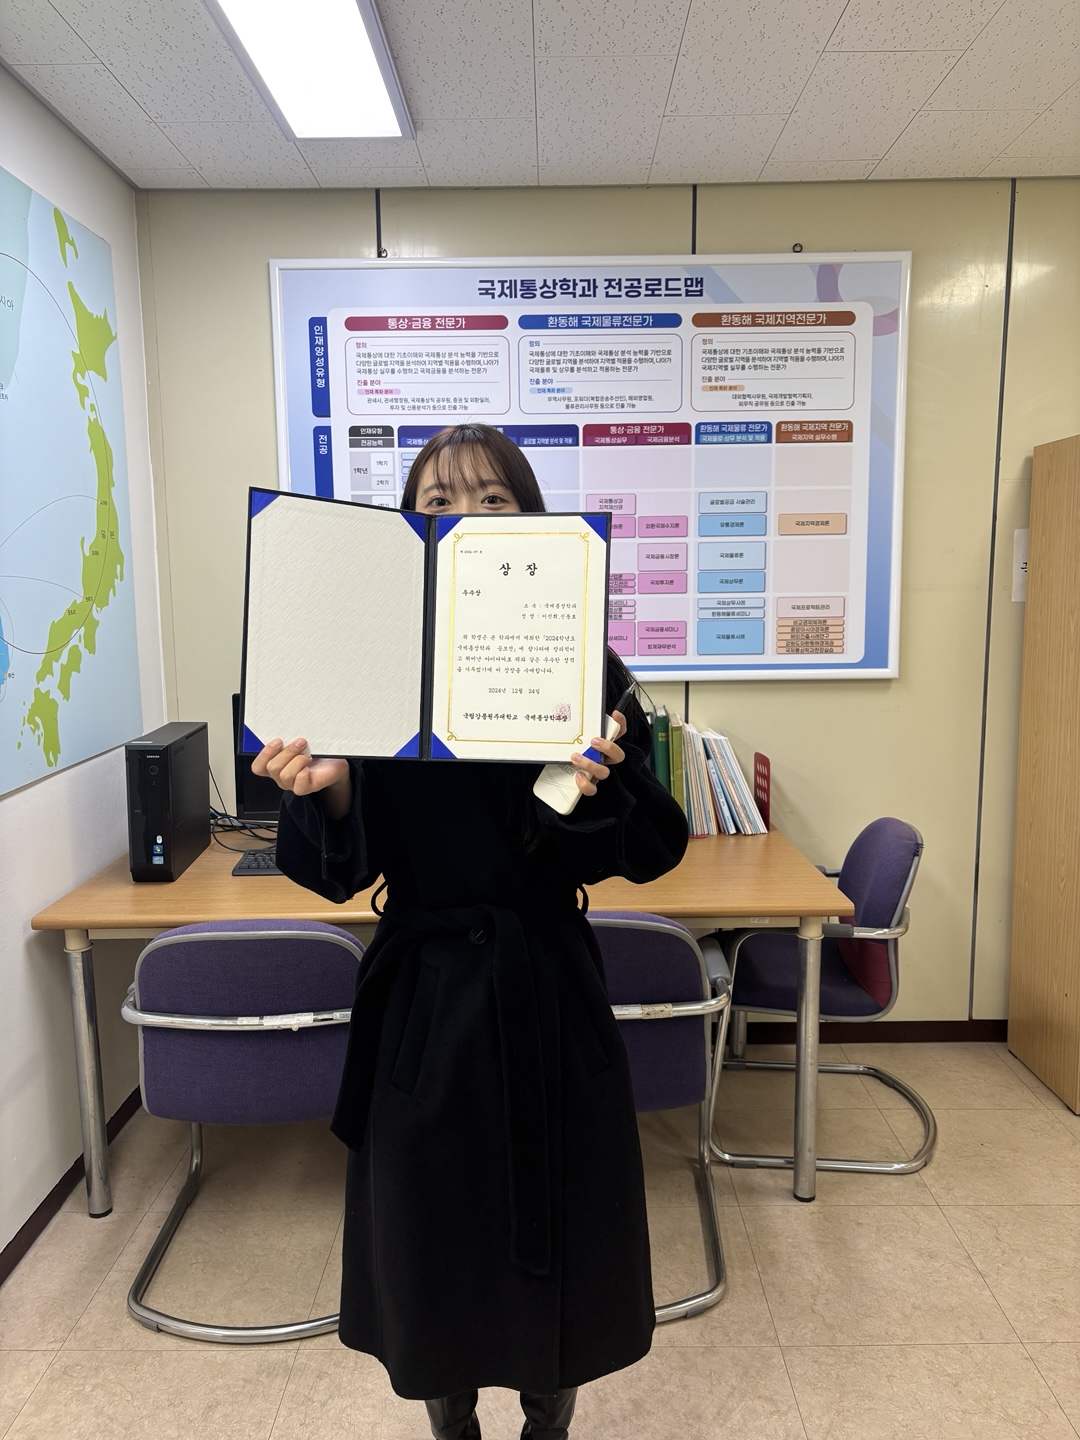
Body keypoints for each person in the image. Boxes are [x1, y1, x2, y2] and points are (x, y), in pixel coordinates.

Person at [252, 424, 689, 1440]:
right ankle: (450, 1425)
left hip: (547, 988)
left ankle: (549, 1421)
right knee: (430, 1238)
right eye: (439, 502)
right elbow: (339, 868)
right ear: (410, 528)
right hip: (426, 1001)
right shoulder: (370, 660)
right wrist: (323, 793)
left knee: (559, 1233)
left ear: (531, 519)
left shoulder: (584, 660)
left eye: (494, 499)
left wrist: (587, 787)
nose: (466, 518)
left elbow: (653, 845)